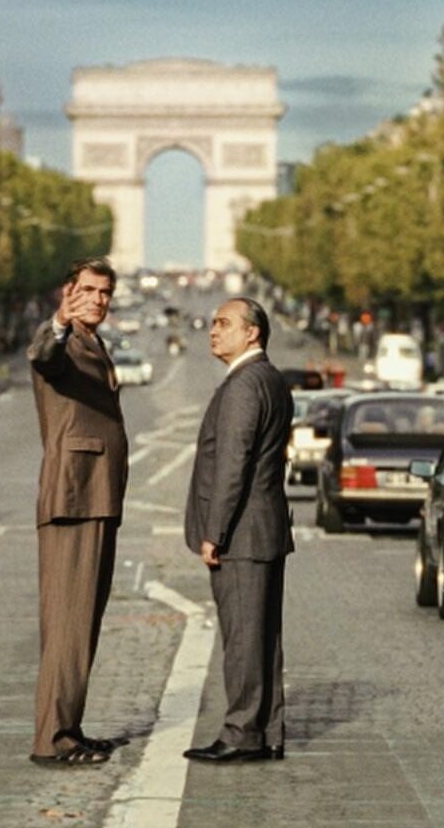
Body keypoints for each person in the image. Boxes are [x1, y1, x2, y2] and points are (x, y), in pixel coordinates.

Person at [26, 257, 130, 767]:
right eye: (87, 290)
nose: (98, 299)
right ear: (67, 293)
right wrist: (60, 324)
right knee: (68, 622)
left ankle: (69, 726)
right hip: (74, 495)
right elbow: (43, 355)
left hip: (94, 495)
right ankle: (53, 739)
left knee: (81, 621)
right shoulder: (62, 340)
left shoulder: (95, 341)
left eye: (105, 292)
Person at [183, 296, 294, 763]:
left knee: (244, 638)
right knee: (263, 638)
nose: (213, 331)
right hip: (264, 528)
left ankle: (241, 733)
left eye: (224, 323)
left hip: (243, 533)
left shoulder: (244, 385)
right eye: (212, 323)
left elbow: (233, 463)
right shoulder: (271, 378)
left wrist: (215, 531)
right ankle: (267, 731)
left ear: (253, 333)